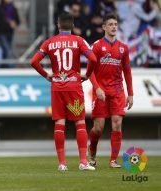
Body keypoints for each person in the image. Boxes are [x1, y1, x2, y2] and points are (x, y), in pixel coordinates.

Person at [30, 12, 97, 171]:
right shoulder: (79, 41)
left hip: (57, 87)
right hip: (74, 87)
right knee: (79, 122)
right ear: (72, 25)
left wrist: (47, 75)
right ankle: (82, 162)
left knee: (60, 123)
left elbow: (34, 61)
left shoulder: (49, 42)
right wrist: (87, 75)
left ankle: (62, 164)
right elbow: (93, 59)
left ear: (58, 25)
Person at [87, 13, 133, 168]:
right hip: (100, 92)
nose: (114, 27)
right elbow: (90, 71)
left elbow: (127, 71)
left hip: (118, 91)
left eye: (115, 24)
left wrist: (131, 93)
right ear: (104, 27)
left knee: (117, 123)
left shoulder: (123, 48)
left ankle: (113, 160)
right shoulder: (97, 46)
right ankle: (92, 150)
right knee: (98, 128)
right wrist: (97, 88)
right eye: (110, 24)